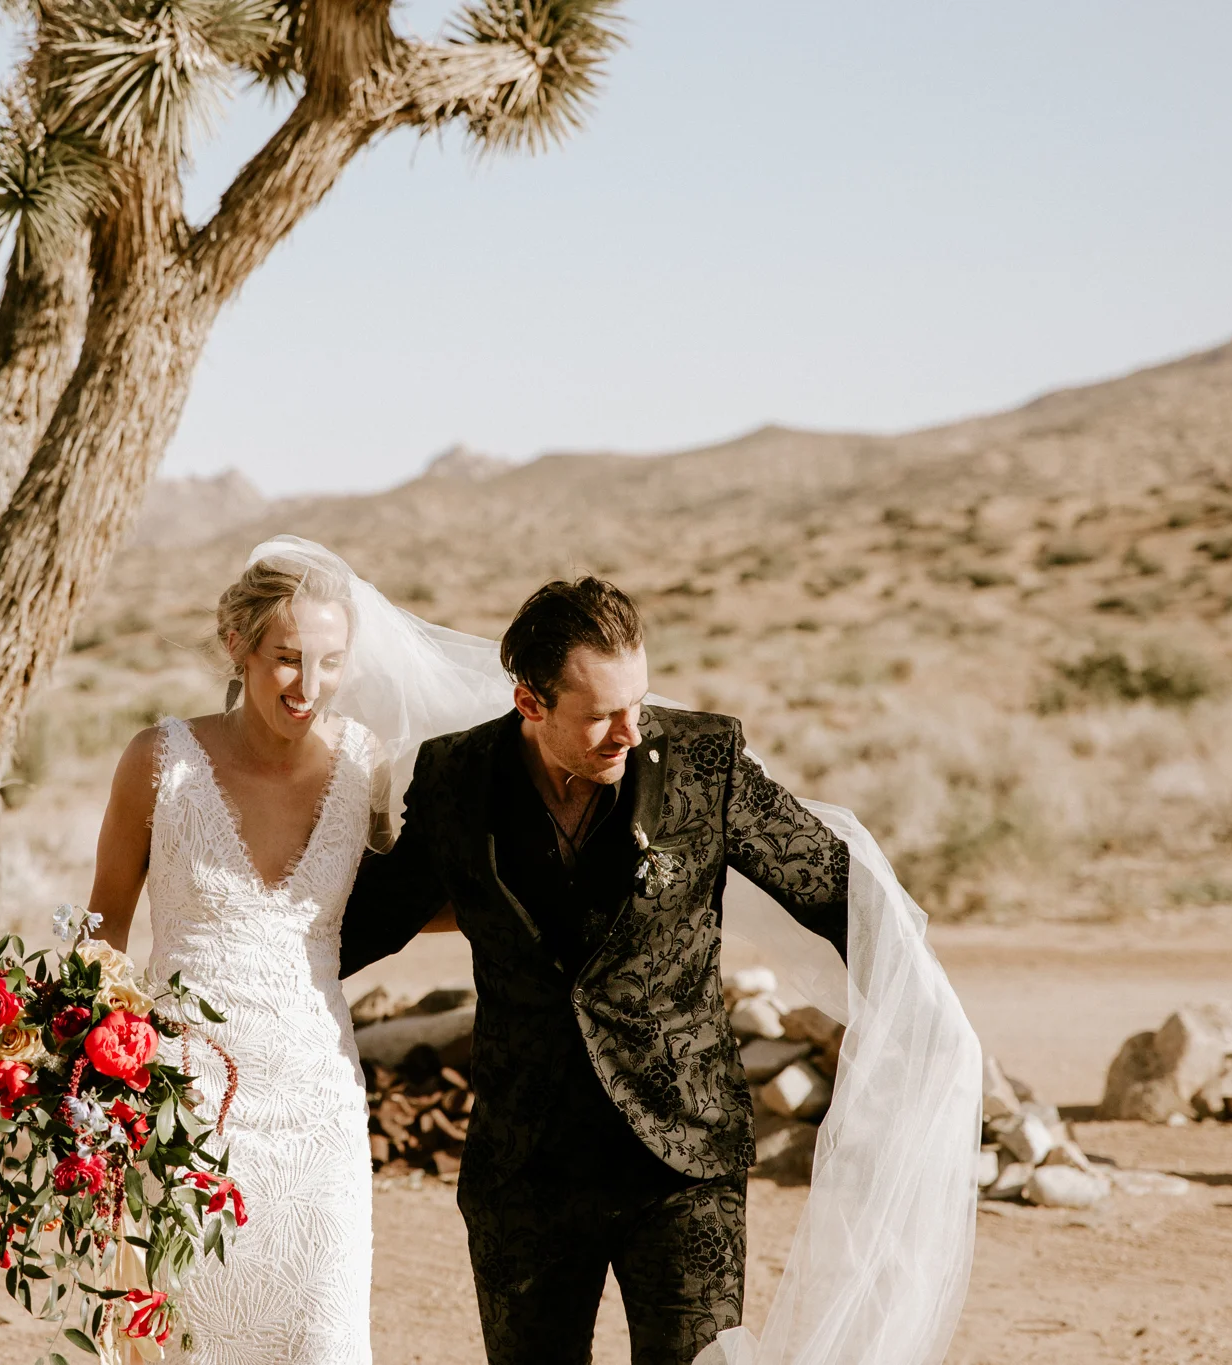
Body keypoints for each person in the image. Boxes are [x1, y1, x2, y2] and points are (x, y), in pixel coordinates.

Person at [338, 571, 980, 1365]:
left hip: (684, 1161)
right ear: (529, 703)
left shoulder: (704, 762)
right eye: (601, 712)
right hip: (524, 1168)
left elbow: (839, 892)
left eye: (637, 700)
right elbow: (364, 925)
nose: (629, 730)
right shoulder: (454, 778)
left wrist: (920, 1018)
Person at [87, 553, 379, 1363]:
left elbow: (419, 899)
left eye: (328, 660)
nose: (307, 682)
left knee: (319, 1336)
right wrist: (77, 1058)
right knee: (188, 1338)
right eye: (286, 656)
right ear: (237, 646)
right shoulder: (159, 759)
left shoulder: (366, 767)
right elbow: (102, 920)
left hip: (317, 1105)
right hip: (186, 1100)